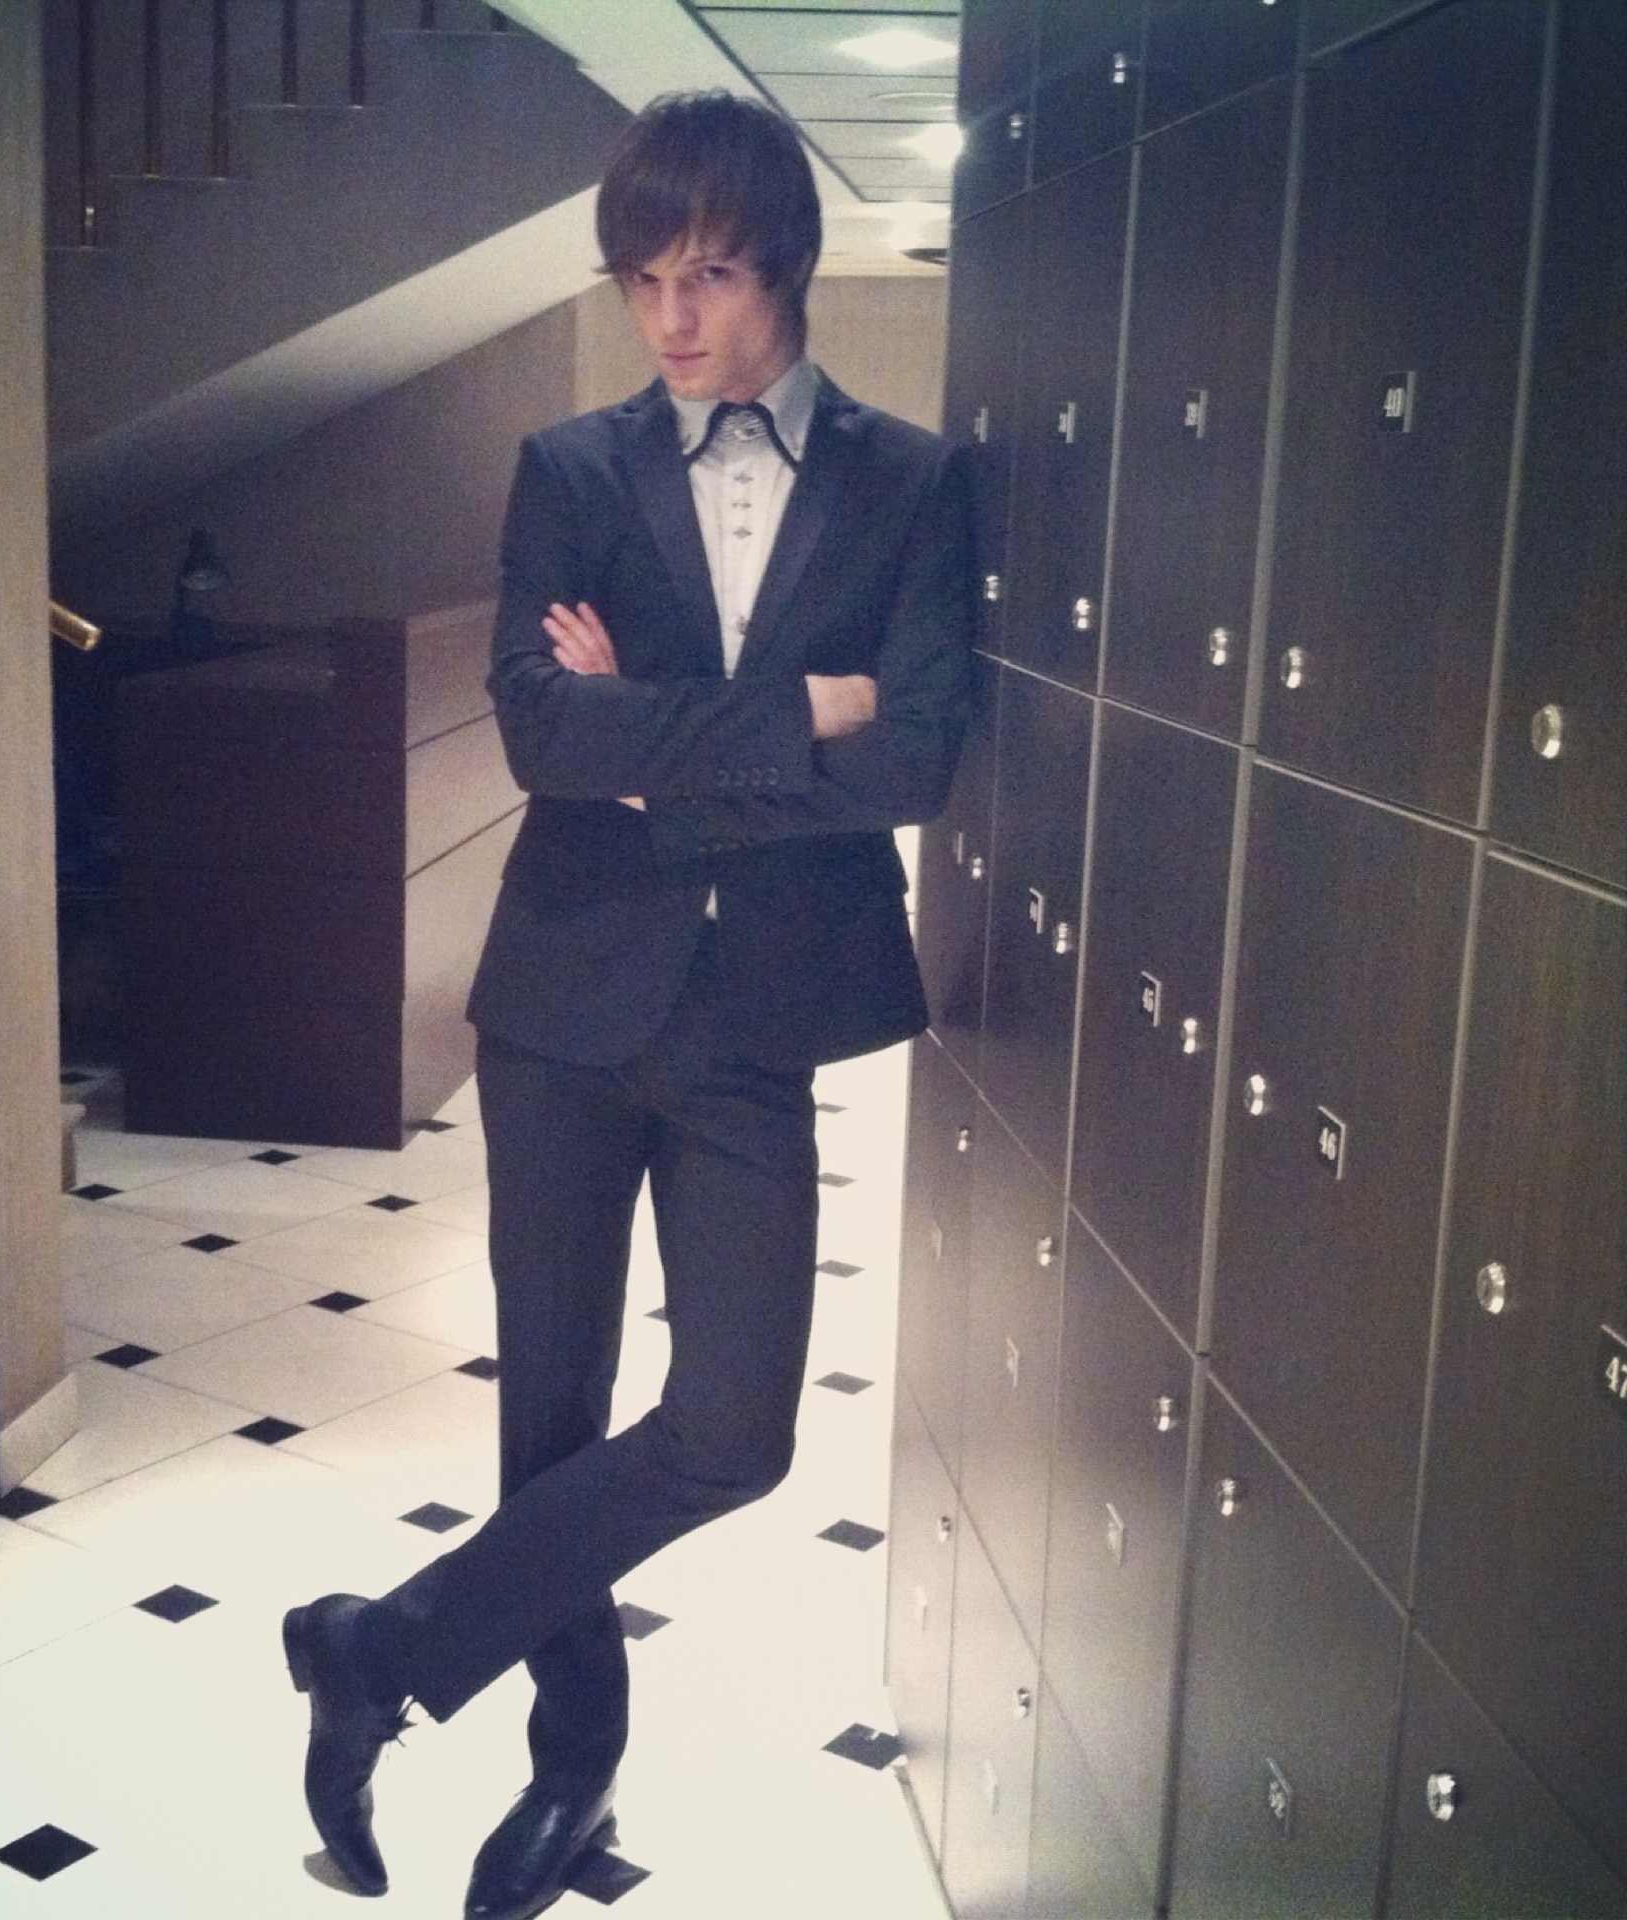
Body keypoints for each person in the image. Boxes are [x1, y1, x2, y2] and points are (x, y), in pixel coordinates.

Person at [282, 90, 972, 1918]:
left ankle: (376, 1646)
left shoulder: (910, 483)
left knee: (735, 1427)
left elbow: (915, 753)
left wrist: (657, 748)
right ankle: (569, 1773)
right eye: (642, 280)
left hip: (760, 1017)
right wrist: (795, 713)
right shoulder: (572, 472)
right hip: (564, 1006)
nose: (671, 318)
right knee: (555, 1410)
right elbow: (541, 735)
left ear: (786, 268)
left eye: (710, 276)